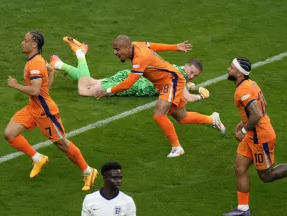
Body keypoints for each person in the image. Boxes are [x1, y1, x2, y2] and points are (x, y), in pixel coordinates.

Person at [222, 57, 287, 216]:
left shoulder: (243, 90)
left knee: (267, 176)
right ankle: (243, 208)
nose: (228, 69)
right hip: (253, 134)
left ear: (240, 74)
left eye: (231, 68)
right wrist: (243, 123)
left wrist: (244, 129)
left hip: (260, 137)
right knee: (239, 167)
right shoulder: (251, 84)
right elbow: (264, 106)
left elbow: (256, 113)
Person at [94, 35, 225, 157]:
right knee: (182, 117)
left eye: (117, 49)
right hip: (166, 82)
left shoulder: (140, 58)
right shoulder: (136, 45)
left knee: (159, 113)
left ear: (127, 47)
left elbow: (129, 83)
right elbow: (152, 45)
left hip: (171, 80)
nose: (115, 52)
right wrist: (175, 47)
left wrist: (108, 91)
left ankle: (177, 148)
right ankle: (213, 120)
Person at [3, 31, 98, 191]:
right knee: (9, 133)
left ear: (34, 45)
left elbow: (35, 91)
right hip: (33, 108)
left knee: (62, 144)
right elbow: (51, 70)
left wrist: (16, 85)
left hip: (45, 113)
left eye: (25, 41)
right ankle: (38, 158)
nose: (22, 43)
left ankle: (89, 171)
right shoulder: (36, 60)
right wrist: (47, 89)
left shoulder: (34, 65)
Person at [49, 39, 209, 102]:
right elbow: (187, 98)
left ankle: (57, 64)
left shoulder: (175, 70)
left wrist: (174, 47)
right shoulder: (179, 75)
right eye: (191, 71)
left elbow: (151, 46)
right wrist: (201, 95)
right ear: (185, 66)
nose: (192, 75)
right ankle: (80, 53)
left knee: (90, 81)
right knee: (84, 90)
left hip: (130, 75)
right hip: (132, 83)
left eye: (195, 75)